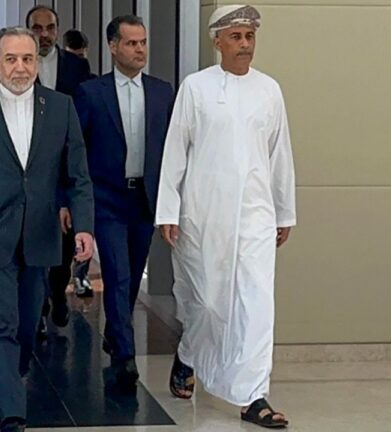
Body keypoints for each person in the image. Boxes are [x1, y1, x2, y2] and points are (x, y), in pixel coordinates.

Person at [0, 26, 94, 432]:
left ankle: (10, 373)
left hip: (41, 234)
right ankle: (12, 409)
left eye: (27, 59)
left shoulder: (60, 107)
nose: (20, 67)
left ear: (37, 63)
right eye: (11, 59)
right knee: (1, 322)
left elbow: (78, 175)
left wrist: (84, 226)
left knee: (26, 325)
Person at [156, 5, 295, 429]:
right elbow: (175, 151)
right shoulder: (196, 88)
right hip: (203, 215)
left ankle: (254, 396)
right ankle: (188, 354)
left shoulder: (269, 90)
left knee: (257, 304)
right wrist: (168, 209)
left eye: (250, 36)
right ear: (217, 41)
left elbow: (280, 154)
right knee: (206, 303)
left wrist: (284, 210)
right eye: (236, 36)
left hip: (255, 216)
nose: (245, 44)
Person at [74, 15, 174, 388]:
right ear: (113, 46)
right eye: (131, 43)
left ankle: (116, 332)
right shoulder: (91, 93)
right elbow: (77, 150)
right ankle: (125, 356)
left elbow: (172, 149)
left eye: (143, 42)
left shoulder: (162, 92)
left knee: (130, 274)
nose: (140, 49)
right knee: (116, 273)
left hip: (144, 198)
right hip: (107, 198)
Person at [25, 4, 94, 337]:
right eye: (37, 28)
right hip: (29, 166)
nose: (44, 34)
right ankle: (38, 308)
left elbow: (84, 121)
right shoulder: (21, 63)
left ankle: (57, 290)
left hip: (65, 164)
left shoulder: (77, 67)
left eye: (49, 28)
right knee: (34, 240)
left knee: (64, 244)